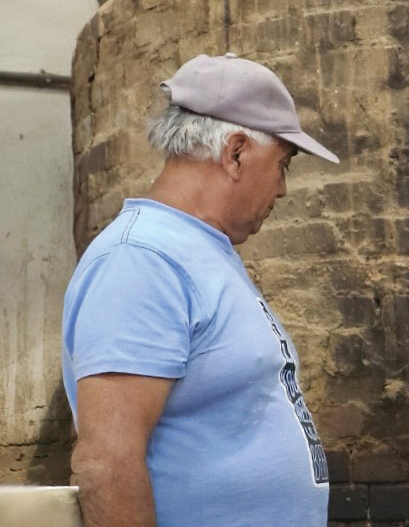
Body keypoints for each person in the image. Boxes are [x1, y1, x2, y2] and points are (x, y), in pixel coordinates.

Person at [61, 53, 339, 527]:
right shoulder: (142, 260)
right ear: (235, 153)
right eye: (283, 165)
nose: (283, 189)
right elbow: (106, 463)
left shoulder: (201, 251)